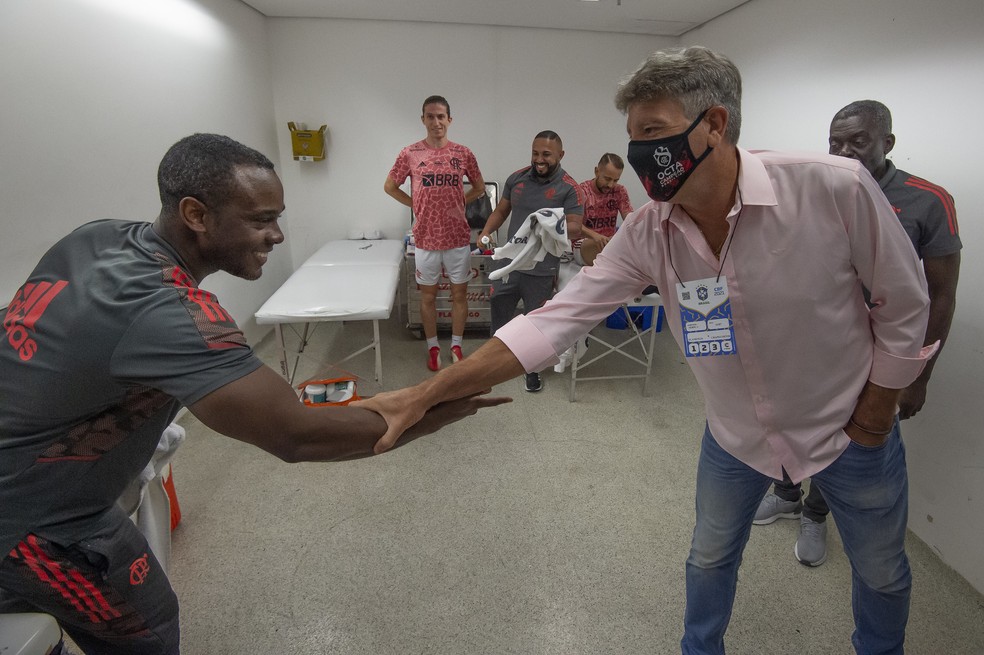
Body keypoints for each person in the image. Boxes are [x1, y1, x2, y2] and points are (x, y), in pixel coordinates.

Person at [355, 47, 936, 654]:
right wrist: (425, 395)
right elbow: (554, 321)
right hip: (735, 439)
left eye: (653, 132)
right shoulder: (648, 230)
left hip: (850, 433)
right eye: (632, 137)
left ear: (714, 124)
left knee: (881, 572)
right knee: (708, 560)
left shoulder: (831, 188)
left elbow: (905, 302)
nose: (638, 155)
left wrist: (875, 416)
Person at [0, 133, 506, 655]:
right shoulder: (168, 311)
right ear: (196, 214)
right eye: (261, 220)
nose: (278, 235)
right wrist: (433, 404)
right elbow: (297, 434)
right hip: (32, 521)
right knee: (147, 624)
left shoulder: (97, 237)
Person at [753, 99, 962, 567]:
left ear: (888, 143)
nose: (845, 152)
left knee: (848, 439)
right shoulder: (818, 185)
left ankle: (814, 512)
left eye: (859, 141)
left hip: (880, 355)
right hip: (815, 343)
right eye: (836, 142)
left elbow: (941, 295)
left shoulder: (928, 200)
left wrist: (918, 376)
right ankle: (786, 492)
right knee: (790, 418)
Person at [475, 130, 583, 392]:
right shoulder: (517, 178)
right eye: (535, 153)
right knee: (499, 306)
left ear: (560, 155)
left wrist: (547, 222)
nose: (539, 159)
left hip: (543, 267)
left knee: (535, 320)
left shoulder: (570, 188)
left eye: (546, 154)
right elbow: (501, 210)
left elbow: (576, 228)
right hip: (510, 262)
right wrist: (486, 232)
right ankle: (492, 363)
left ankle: (532, 370)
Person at [384, 95, 486, 371]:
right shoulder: (410, 153)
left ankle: (455, 344)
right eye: (431, 116)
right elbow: (390, 186)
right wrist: (414, 204)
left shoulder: (463, 153)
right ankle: (432, 347)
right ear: (423, 120)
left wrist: (460, 201)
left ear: (449, 120)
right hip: (426, 238)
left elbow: (479, 187)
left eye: (441, 116)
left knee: (459, 295)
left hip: (456, 238)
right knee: (427, 297)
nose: (436, 121)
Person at [573, 153, 634, 266]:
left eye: (615, 180)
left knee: (635, 241)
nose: (611, 185)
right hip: (584, 245)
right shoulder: (582, 191)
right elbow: (573, 224)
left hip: (610, 243)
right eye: (607, 179)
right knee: (611, 245)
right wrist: (595, 236)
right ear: (596, 171)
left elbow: (630, 220)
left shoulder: (619, 191)